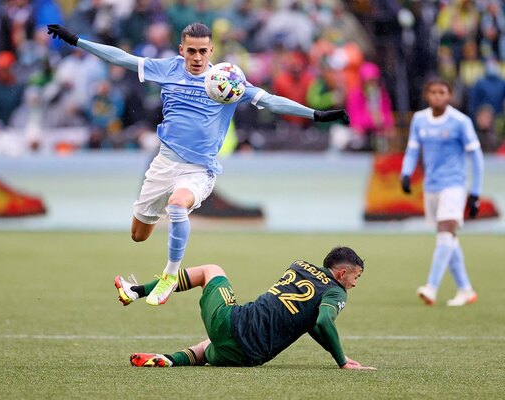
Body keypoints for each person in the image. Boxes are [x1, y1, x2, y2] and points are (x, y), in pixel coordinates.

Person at [47, 22, 350, 306]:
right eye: (191, 50)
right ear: (181, 50)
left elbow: (270, 100)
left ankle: (169, 276)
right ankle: (139, 287)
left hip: (198, 170)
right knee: (138, 235)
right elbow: (122, 58)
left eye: (203, 51)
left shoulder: (227, 81)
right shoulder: (168, 68)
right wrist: (76, 40)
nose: (196, 57)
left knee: (178, 206)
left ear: (211, 51)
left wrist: (317, 114)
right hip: (164, 163)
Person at [114, 246, 375, 370]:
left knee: (210, 271)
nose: (355, 283)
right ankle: (170, 359)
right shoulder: (335, 291)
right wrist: (341, 360)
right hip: (251, 357)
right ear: (342, 273)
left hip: (232, 325)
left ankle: (135, 291)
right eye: (356, 276)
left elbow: (316, 323)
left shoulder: (298, 264)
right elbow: (322, 321)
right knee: (206, 348)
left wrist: (338, 357)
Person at [400, 78, 484, 307]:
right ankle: (466, 289)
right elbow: (412, 150)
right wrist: (405, 174)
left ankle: (431, 287)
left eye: (442, 92)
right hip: (431, 187)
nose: (438, 96)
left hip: (454, 186)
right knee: (449, 239)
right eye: (433, 92)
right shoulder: (419, 120)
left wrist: (475, 192)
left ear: (449, 96)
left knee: (445, 233)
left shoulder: (460, 121)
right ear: (427, 95)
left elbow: (476, 157)